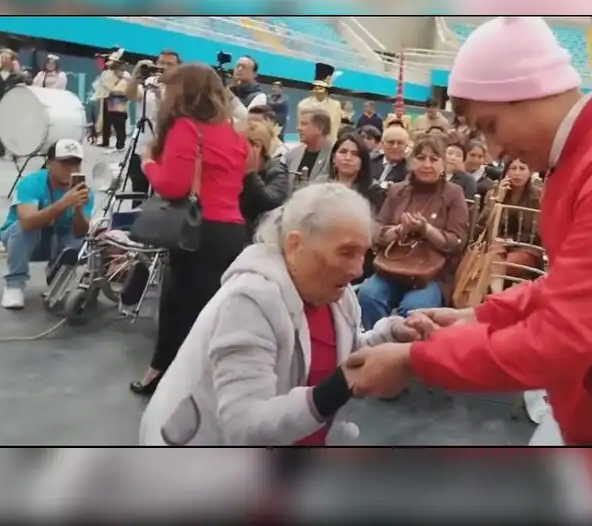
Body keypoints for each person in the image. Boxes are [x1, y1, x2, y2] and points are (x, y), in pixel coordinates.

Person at [344, 17, 592, 445]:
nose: (494, 151)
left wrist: (416, 360)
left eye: (490, 126)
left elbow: (559, 340)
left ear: (525, 93)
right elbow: (568, 286)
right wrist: (479, 315)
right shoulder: (589, 156)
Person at [139, 184, 428, 446]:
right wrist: (339, 388)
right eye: (345, 252)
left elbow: (344, 355)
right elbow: (243, 427)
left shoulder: (338, 294)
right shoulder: (248, 301)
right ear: (295, 244)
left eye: (363, 253)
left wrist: (391, 335)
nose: (356, 270)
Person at [130, 63, 249, 396]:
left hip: (197, 230)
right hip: (231, 231)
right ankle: (198, 379)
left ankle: (163, 375)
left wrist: (148, 164)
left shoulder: (186, 128)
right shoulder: (232, 133)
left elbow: (172, 185)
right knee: (210, 309)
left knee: (177, 307)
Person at [357, 135, 469, 331]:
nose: (427, 165)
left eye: (434, 159)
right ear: (411, 161)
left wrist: (426, 230)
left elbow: (456, 241)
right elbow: (378, 233)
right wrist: (400, 230)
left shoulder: (454, 193)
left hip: (433, 274)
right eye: (421, 158)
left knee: (413, 309)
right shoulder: (398, 190)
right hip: (393, 267)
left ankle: (401, 353)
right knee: (368, 295)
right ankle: (377, 343)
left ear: (443, 164)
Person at [0, 139, 93, 309]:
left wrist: (78, 209)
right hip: (22, 240)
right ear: (49, 163)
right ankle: (14, 284)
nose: (71, 169)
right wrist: (63, 203)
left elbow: (80, 232)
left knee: (83, 238)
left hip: (57, 239)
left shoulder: (84, 191)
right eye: (64, 163)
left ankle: (57, 276)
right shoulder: (31, 183)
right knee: (25, 228)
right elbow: (27, 222)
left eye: (75, 163)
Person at [477, 158, 543, 293]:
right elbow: (483, 225)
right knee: (495, 256)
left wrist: (511, 242)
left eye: (522, 169)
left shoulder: (538, 196)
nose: (517, 173)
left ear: (530, 172)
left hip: (527, 248)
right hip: (498, 246)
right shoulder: (494, 192)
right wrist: (497, 199)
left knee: (503, 263)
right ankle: (498, 296)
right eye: (513, 169)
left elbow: (538, 233)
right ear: (506, 171)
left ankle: (496, 297)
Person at [125, 51, 182, 197]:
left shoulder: (180, 88)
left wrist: (158, 95)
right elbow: (131, 95)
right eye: (161, 62)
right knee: (137, 192)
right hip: (140, 147)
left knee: (158, 195)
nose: (164, 67)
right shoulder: (149, 81)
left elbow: (172, 114)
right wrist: (136, 75)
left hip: (163, 150)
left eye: (170, 64)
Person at [239, 119, 290, 237]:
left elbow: (270, 202)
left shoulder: (277, 171)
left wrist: (250, 173)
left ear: (257, 146)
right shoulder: (234, 167)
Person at [0, 49, 31, 158]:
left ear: (13, 61)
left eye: (6, 58)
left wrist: (19, 72)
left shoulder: (19, 76)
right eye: (2, 58)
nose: (3, 60)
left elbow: (28, 86)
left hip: (13, 105)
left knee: (13, 128)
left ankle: (15, 150)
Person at [283, 108, 334, 187]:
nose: (298, 128)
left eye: (304, 124)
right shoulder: (292, 154)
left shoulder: (334, 156)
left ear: (320, 128)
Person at [297, 63, 342, 141]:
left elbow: (335, 129)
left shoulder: (335, 105)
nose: (317, 90)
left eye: (321, 87)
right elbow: (301, 128)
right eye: (315, 87)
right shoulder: (303, 105)